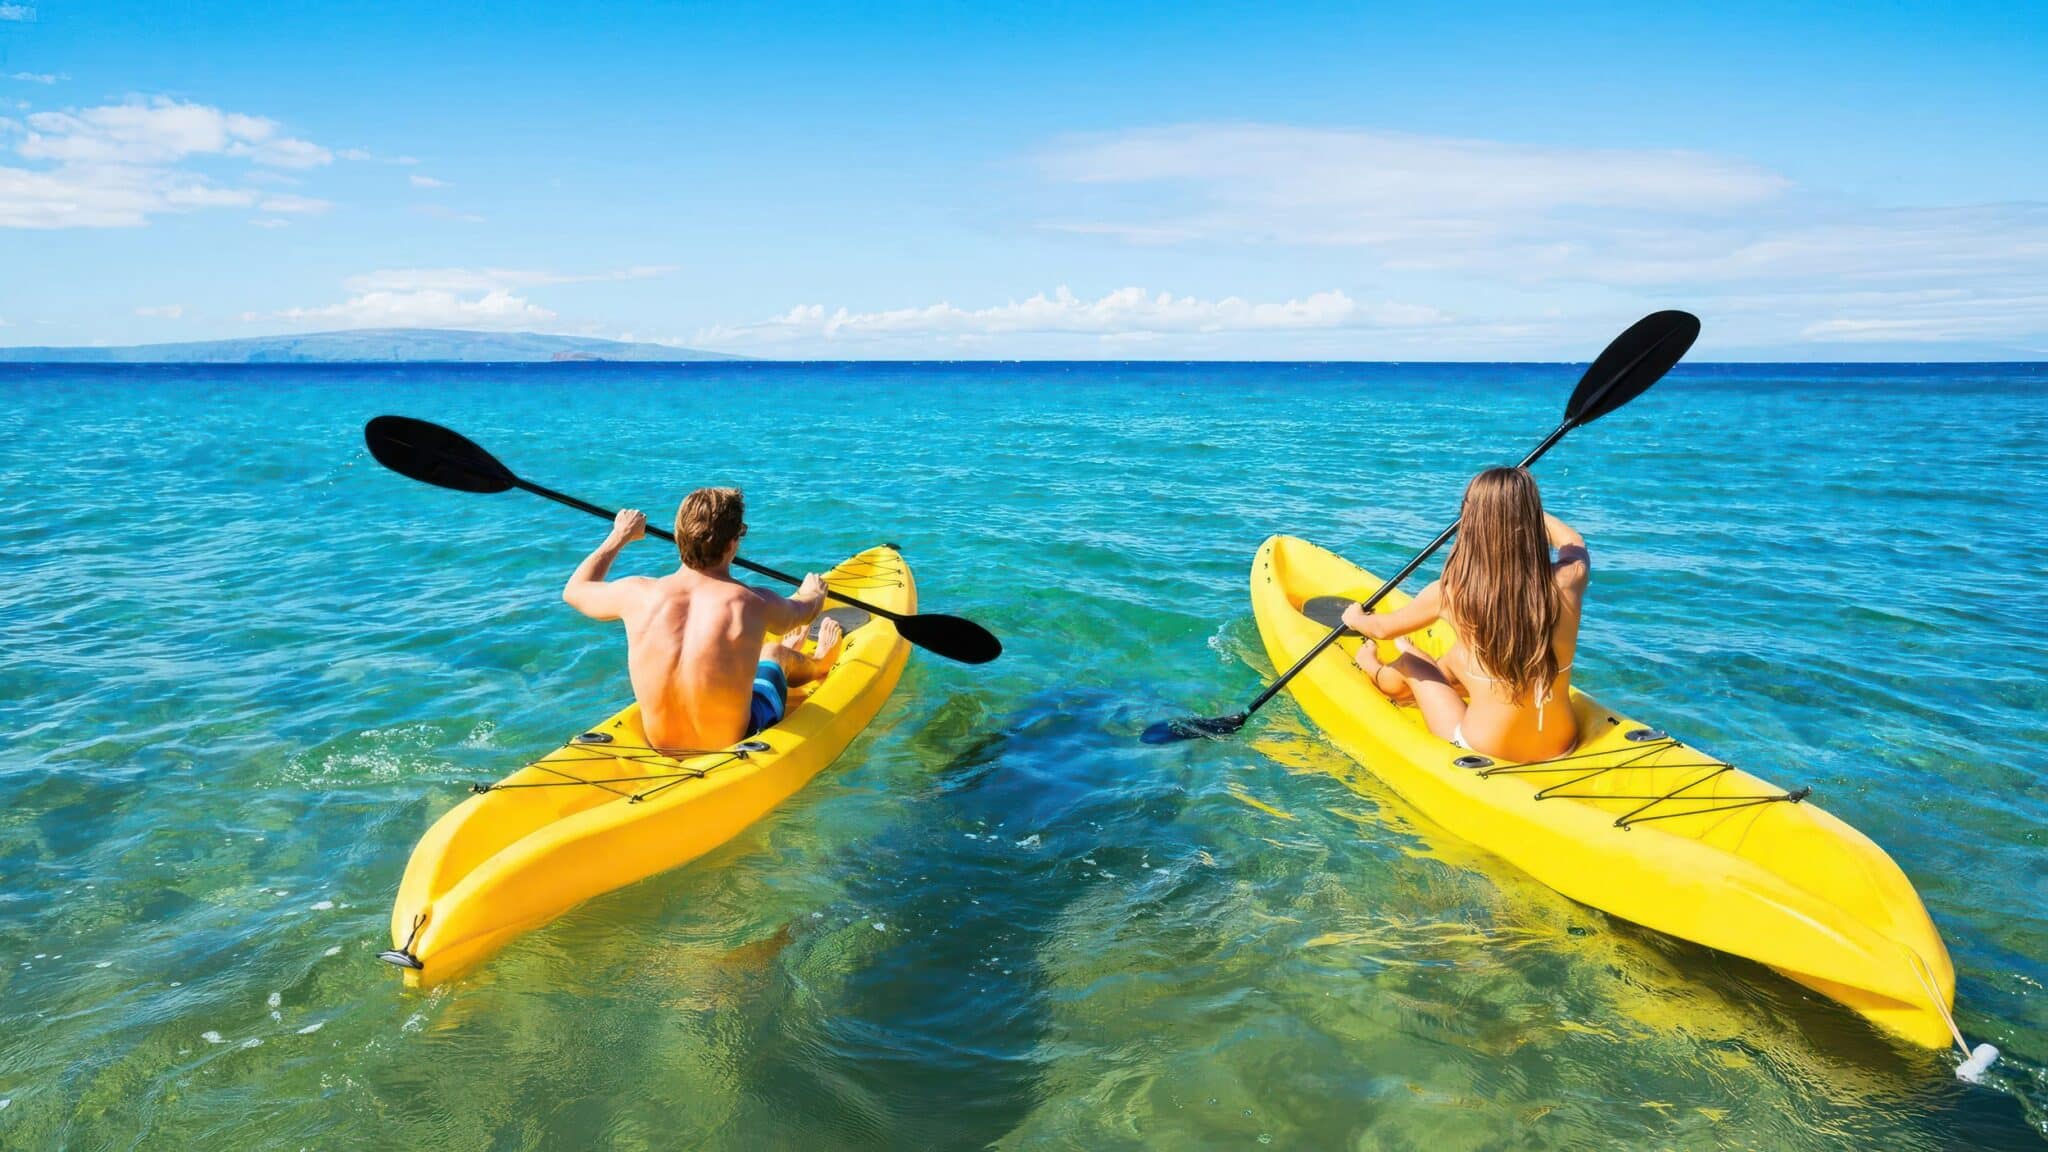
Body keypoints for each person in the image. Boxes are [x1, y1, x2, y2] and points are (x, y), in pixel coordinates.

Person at [561, 487, 845, 750]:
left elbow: (575, 591)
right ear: (733, 543)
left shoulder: (637, 594)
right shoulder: (752, 602)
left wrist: (620, 535)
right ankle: (819, 663)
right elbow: (800, 613)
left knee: (763, 653)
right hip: (737, 738)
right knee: (773, 652)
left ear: (677, 535)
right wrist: (813, 593)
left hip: (661, 744)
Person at [1340, 467, 1590, 762]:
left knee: (1410, 663)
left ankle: (1376, 668)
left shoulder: (1452, 592)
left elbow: (1381, 629)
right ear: (1531, 519)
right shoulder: (1570, 578)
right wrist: (1521, 505)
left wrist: (1355, 617)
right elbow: (1572, 541)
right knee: (1461, 655)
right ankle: (1434, 667)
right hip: (1561, 745)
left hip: (1484, 749)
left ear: (1472, 521)